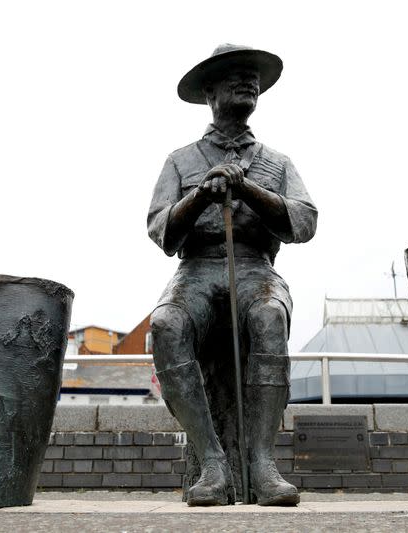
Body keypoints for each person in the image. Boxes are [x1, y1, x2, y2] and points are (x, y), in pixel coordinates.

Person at [148, 44, 317, 506]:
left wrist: (248, 188)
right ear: (209, 91)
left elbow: (304, 222)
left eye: (252, 76)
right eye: (234, 76)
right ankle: (213, 462)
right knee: (166, 325)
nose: (249, 82)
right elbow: (160, 230)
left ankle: (262, 463)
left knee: (268, 316)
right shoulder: (180, 161)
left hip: (254, 266)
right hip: (196, 268)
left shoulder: (277, 162)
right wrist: (200, 196)